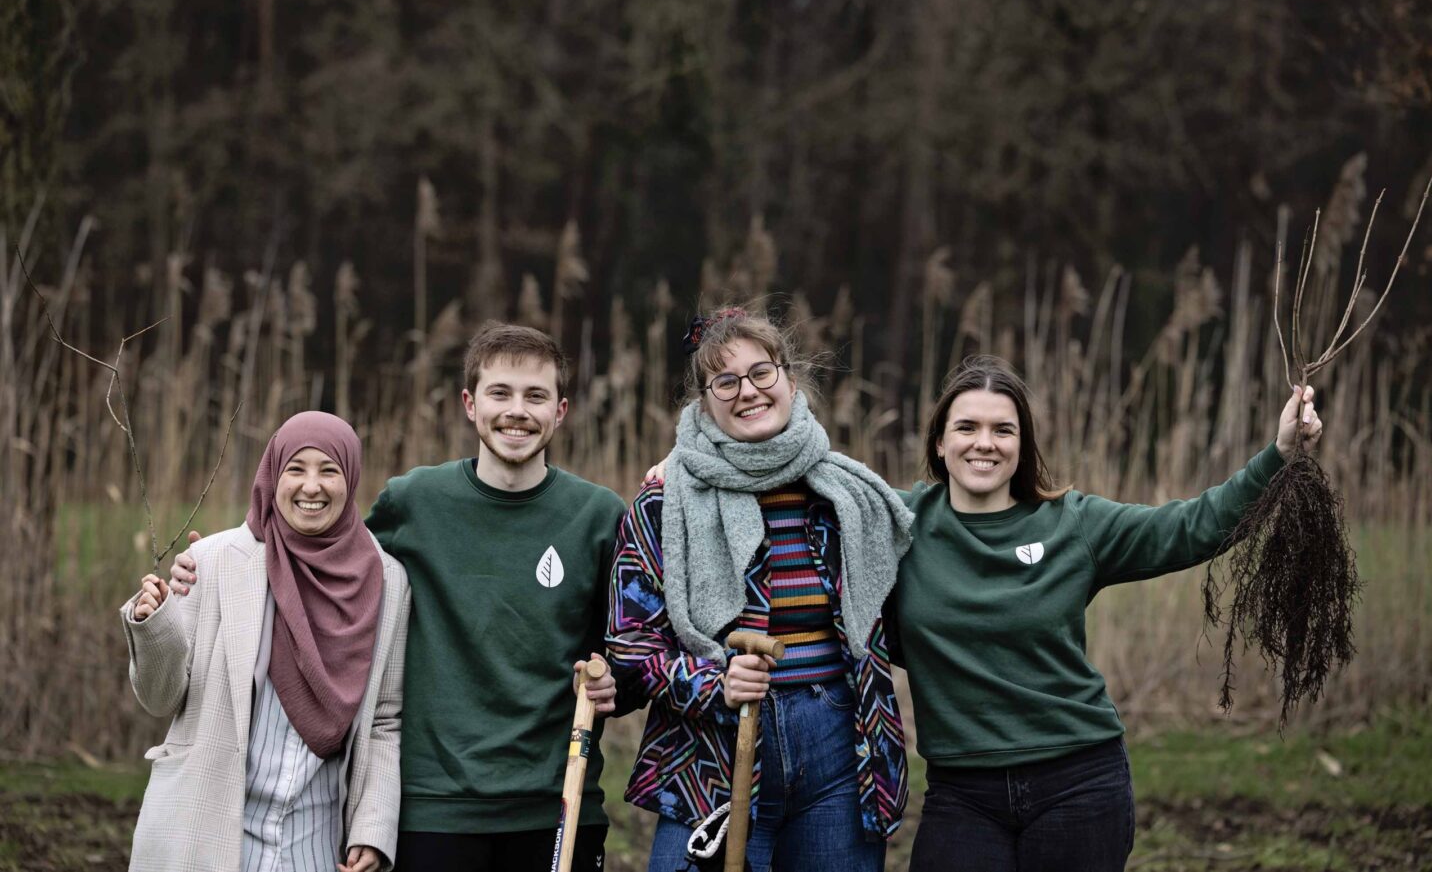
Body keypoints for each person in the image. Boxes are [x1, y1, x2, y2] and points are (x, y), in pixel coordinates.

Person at [171, 323, 625, 872]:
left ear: (561, 410)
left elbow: (632, 649)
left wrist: (614, 679)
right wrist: (212, 569)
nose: (517, 411)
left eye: (536, 396)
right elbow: (323, 567)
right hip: (432, 805)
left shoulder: (600, 517)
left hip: (557, 803)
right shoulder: (414, 502)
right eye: (499, 393)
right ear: (468, 403)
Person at [894, 356, 1324, 872]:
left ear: (1021, 446)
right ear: (940, 443)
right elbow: (815, 495)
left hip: (1077, 784)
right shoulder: (898, 524)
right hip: (960, 794)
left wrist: (1277, 455)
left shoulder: (1071, 524)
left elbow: (1190, 527)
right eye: (967, 427)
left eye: (1003, 430)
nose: (984, 442)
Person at [608, 307, 914, 872]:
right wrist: (712, 681)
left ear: (789, 380)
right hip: (710, 757)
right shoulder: (662, 504)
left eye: (761, 373)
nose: (746, 391)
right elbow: (629, 648)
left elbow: (907, 613)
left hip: (839, 758)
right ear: (703, 401)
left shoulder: (849, 497)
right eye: (724, 380)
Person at [122, 411, 411, 872]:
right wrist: (152, 623)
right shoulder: (212, 561)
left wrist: (373, 831)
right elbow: (160, 699)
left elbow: (384, 720)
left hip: (316, 846)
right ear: (273, 475)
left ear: (351, 477)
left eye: (328, 470)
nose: (311, 487)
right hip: (208, 834)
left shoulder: (388, 580)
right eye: (295, 469)